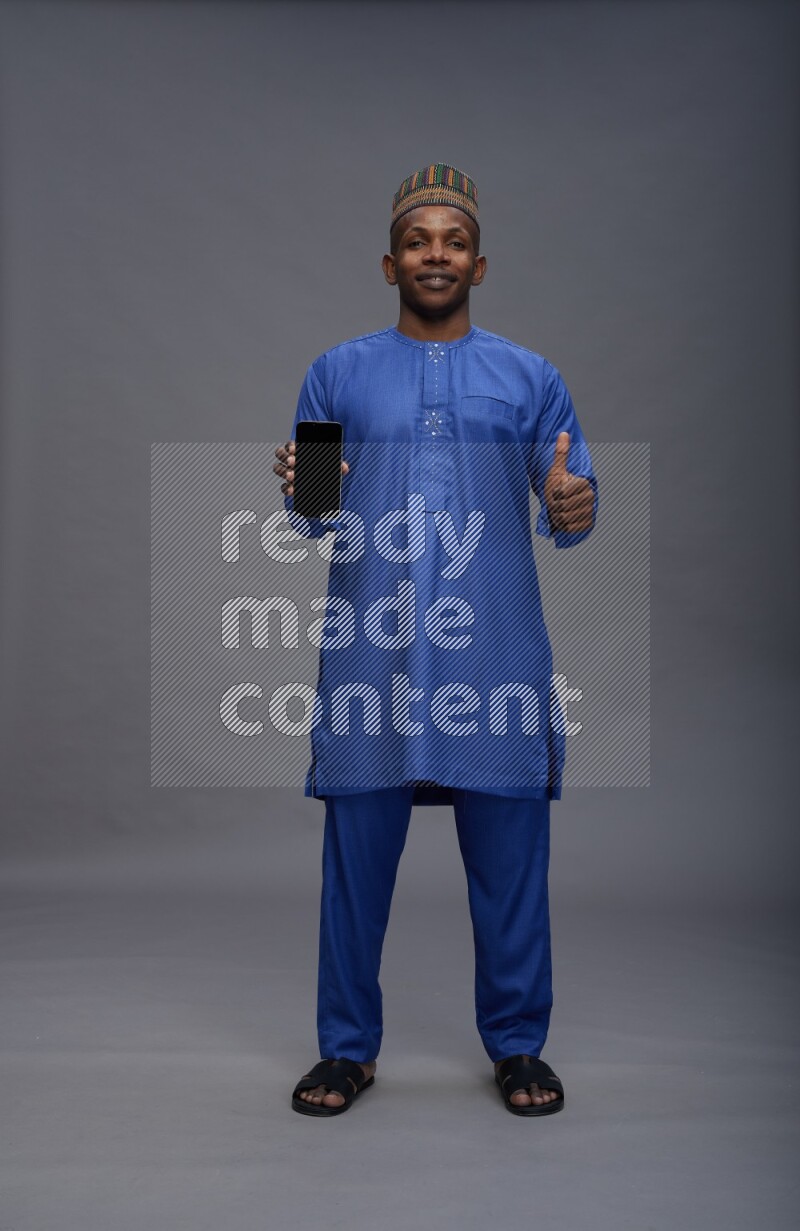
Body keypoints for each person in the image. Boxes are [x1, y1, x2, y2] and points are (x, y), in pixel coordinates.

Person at [273, 163, 597, 1117]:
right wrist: (300, 483)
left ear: (480, 263)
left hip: (493, 655)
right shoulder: (337, 371)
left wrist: (574, 500)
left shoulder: (530, 377)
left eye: (452, 241)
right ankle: (345, 1050)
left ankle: (518, 1046)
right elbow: (317, 512)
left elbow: (571, 511)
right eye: (418, 240)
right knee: (355, 865)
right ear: (389, 262)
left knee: (511, 865)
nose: (436, 254)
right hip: (373, 655)